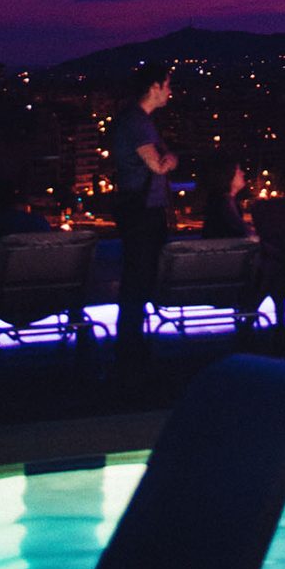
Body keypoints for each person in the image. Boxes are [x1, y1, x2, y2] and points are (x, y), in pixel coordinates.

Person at [109, 63, 177, 368]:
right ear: (154, 87)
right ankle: (130, 352)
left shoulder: (135, 120)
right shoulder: (138, 122)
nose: (170, 92)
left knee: (137, 281)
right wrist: (171, 159)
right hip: (142, 213)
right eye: (167, 85)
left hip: (141, 210)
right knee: (138, 281)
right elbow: (157, 166)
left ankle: (131, 349)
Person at [199, 154, 254, 239]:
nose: (243, 173)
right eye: (238, 171)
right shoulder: (224, 203)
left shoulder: (221, 201)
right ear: (229, 174)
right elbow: (241, 229)